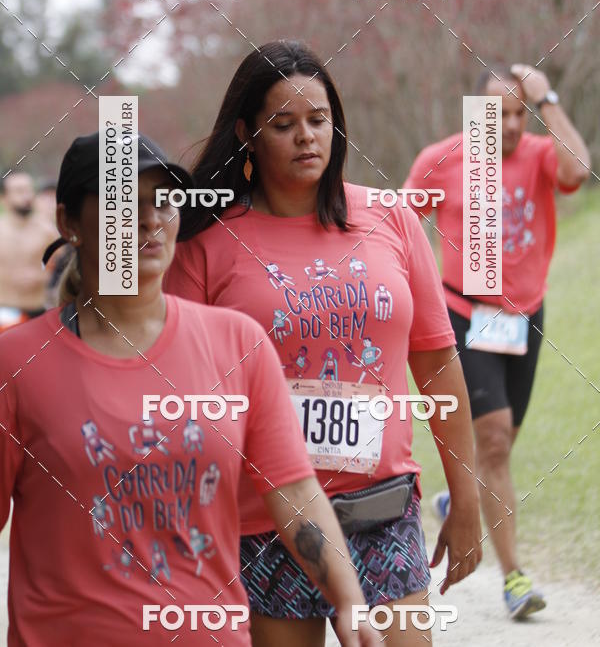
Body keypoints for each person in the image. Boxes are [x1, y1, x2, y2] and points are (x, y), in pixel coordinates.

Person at [0, 131, 378, 647]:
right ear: (70, 223)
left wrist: (349, 600)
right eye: (122, 204)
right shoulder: (17, 363)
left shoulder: (236, 342)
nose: (149, 219)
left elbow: (293, 490)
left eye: (163, 202)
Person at [164, 40, 482, 647]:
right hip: (267, 525)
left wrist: (466, 498)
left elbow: (438, 363)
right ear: (246, 133)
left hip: (382, 510)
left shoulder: (391, 219)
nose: (307, 137)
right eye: (284, 124)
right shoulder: (205, 244)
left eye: (319, 120)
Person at [403, 62, 590, 619]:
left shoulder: (538, 154)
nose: (508, 125)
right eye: (497, 113)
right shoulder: (443, 159)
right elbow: (403, 227)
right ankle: (514, 578)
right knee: (495, 445)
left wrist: (548, 97)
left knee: (498, 445)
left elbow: (579, 169)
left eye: (518, 113)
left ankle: (460, 501)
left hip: (526, 318)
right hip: (465, 314)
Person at [0, 172, 56, 332]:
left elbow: (65, 268)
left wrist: (42, 276)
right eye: (19, 191)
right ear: (4, 198)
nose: (26, 196)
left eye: (29, 190)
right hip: (4, 308)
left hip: (36, 310)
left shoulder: (48, 232)